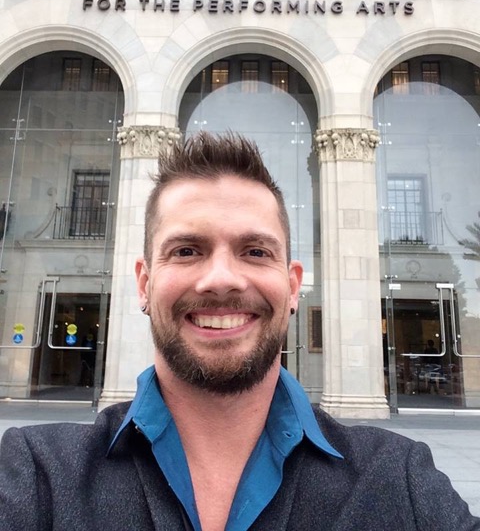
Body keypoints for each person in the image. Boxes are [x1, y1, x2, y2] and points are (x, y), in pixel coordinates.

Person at [0, 131, 479, 531]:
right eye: (187, 250)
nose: (222, 279)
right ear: (145, 284)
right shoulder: (36, 475)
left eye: (255, 251)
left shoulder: (400, 481)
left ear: (292, 287)